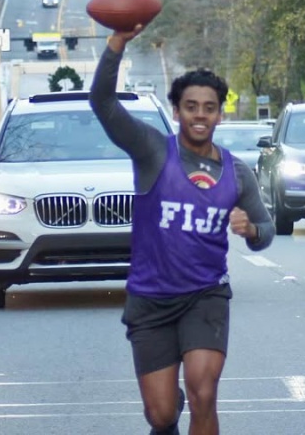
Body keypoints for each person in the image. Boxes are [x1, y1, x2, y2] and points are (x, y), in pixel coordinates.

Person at [89, 26, 274, 435]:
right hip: (151, 300)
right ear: (177, 112)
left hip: (205, 296)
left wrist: (252, 231)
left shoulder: (236, 172)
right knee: (161, 415)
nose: (200, 115)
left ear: (220, 114)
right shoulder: (152, 150)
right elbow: (102, 103)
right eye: (191, 106)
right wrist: (117, 43)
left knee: (204, 391)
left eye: (209, 107)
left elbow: (266, 228)